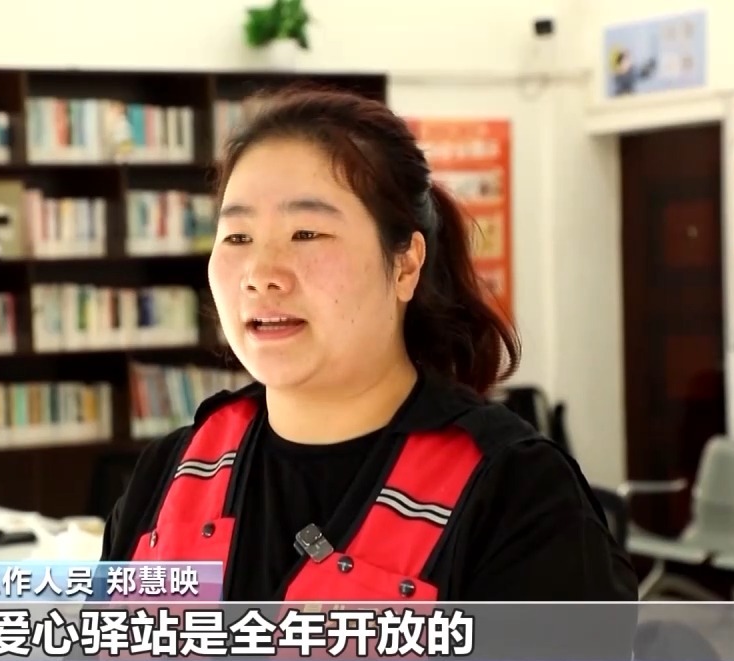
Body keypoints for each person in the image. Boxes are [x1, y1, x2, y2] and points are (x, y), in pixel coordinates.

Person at [101, 87, 639, 607]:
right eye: (237, 237)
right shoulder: (172, 472)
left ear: (405, 265)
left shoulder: (517, 495)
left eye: (307, 233)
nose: (260, 275)